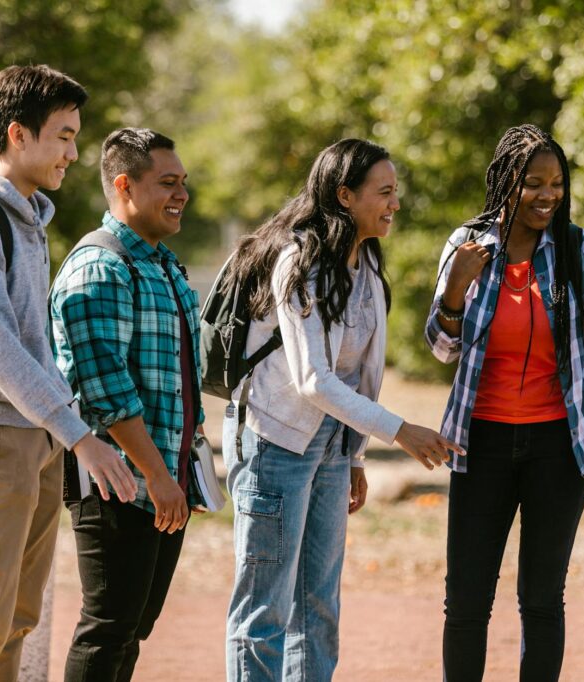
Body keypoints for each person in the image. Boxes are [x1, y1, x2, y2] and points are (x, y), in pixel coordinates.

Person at [0, 65, 138, 682]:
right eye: (64, 136)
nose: (73, 153)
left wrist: (60, 432)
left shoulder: (26, 217)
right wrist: (80, 436)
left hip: (33, 436)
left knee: (16, 617)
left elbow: (33, 345)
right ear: (18, 134)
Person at [222, 138, 464, 682]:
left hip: (330, 445)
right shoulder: (298, 261)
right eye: (383, 192)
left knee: (318, 608)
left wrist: (353, 455)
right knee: (265, 610)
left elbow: (361, 372)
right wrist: (399, 431)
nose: (394, 204)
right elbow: (313, 379)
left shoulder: (369, 264)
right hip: (274, 442)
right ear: (344, 196)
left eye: (394, 192)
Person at [425, 123, 584, 681]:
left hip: (559, 446)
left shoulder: (579, 250)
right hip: (480, 445)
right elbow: (441, 348)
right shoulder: (467, 245)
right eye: (534, 183)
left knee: (542, 599)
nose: (549, 195)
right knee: (467, 600)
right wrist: (455, 287)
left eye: (557, 183)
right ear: (507, 183)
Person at [50, 127, 204, 681]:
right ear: (124, 185)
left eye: (183, 182)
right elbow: (105, 392)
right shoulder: (101, 267)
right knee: (108, 626)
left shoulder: (162, 265)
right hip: (120, 482)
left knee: (132, 628)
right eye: (167, 182)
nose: (182, 194)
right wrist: (159, 477)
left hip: (164, 479)